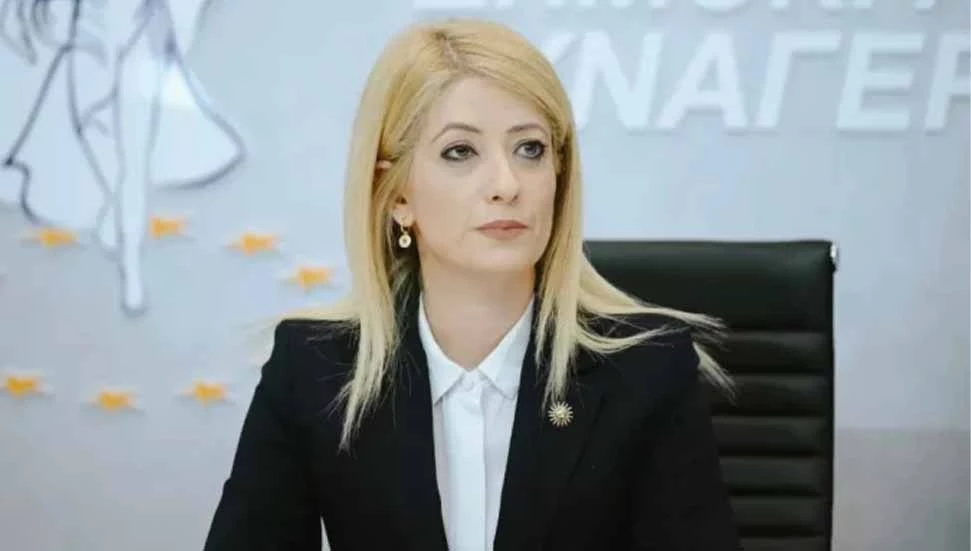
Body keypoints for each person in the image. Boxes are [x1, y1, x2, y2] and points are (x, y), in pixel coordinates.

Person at [204, 17, 739, 551]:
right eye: (460, 152)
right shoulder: (314, 371)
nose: (506, 185)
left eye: (530, 149)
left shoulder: (648, 372)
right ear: (397, 195)